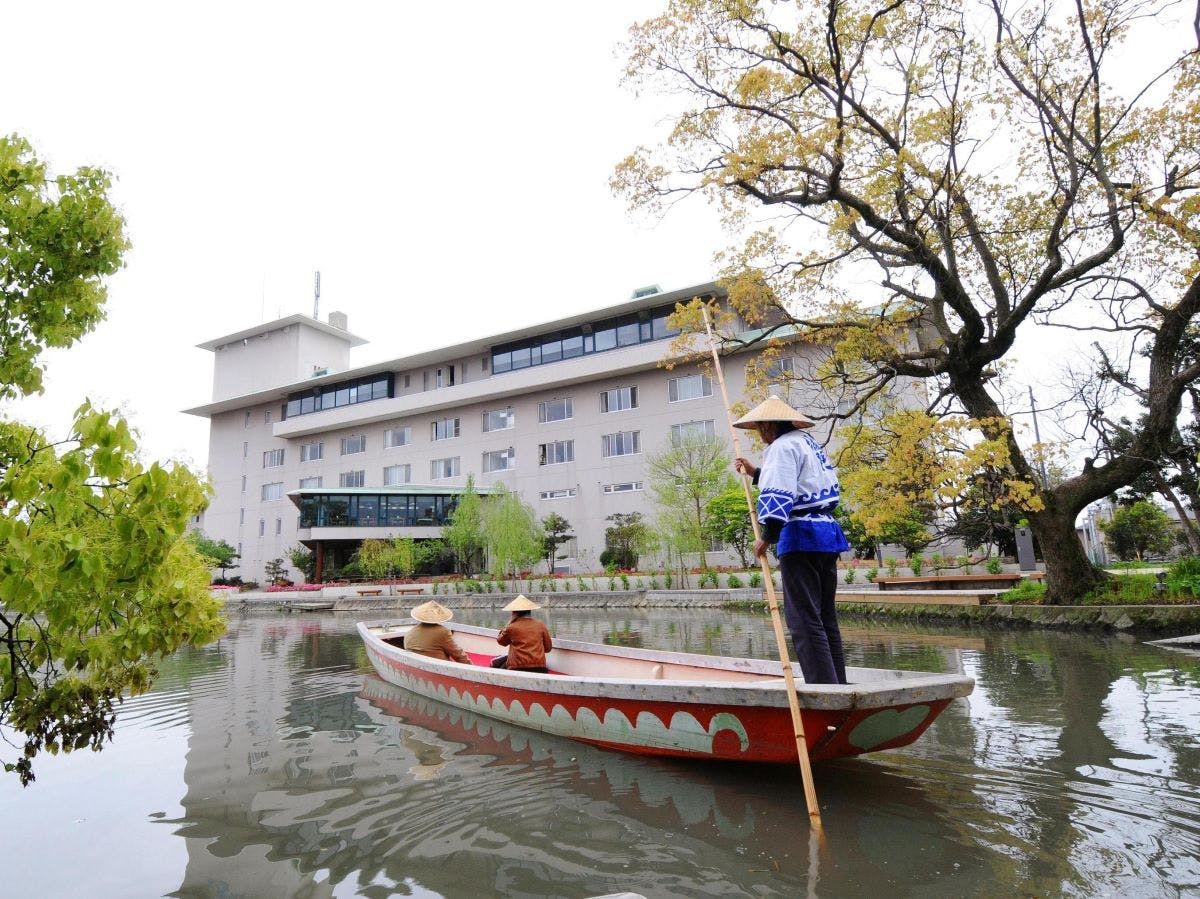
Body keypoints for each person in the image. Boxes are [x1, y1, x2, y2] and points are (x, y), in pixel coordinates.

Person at [733, 395, 850, 685]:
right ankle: (837, 680)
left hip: (800, 537)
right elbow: (802, 483)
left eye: (760, 428)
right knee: (824, 615)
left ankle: (824, 687)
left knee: (803, 619)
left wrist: (766, 537)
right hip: (825, 534)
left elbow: (780, 495)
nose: (760, 435)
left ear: (770, 424)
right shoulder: (807, 442)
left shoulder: (781, 447)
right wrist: (755, 472)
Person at [491, 595, 553, 673]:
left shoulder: (511, 627)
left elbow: (501, 641)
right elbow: (548, 648)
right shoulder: (541, 625)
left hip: (517, 668)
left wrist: (509, 623)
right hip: (540, 668)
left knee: (496, 665)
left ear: (514, 613)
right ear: (529, 611)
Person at [404, 600, 472, 664]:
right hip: (438, 668)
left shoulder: (409, 633)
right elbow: (458, 654)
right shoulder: (442, 632)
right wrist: (471, 668)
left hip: (417, 665)